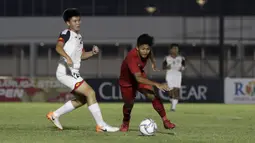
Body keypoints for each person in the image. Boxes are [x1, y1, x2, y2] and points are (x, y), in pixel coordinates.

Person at [46, 8, 119, 132]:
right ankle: (101, 125)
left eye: (79, 20)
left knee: (83, 99)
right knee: (90, 93)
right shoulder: (66, 33)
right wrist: (67, 57)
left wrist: (92, 53)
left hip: (72, 72)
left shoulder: (79, 37)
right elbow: (58, 47)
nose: (78, 23)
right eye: (75, 21)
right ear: (68, 23)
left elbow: (81, 56)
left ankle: (55, 115)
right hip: (66, 71)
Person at [118, 34, 176, 132]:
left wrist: (153, 63)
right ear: (137, 47)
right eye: (143, 49)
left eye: (147, 49)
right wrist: (157, 84)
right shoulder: (132, 57)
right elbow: (138, 78)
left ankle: (166, 121)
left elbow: (150, 54)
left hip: (139, 75)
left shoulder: (148, 52)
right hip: (127, 82)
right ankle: (125, 122)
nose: (145, 51)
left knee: (152, 95)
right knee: (129, 104)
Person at [162, 44, 185, 112]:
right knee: (171, 91)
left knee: (176, 90)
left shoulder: (181, 58)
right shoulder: (167, 58)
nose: (175, 50)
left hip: (178, 75)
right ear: (171, 50)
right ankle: (172, 101)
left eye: (176, 49)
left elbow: (184, 66)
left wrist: (182, 68)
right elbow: (163, 67)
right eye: (174, 48)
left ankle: (173, 107)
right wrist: (167, 67)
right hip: (170, 75)